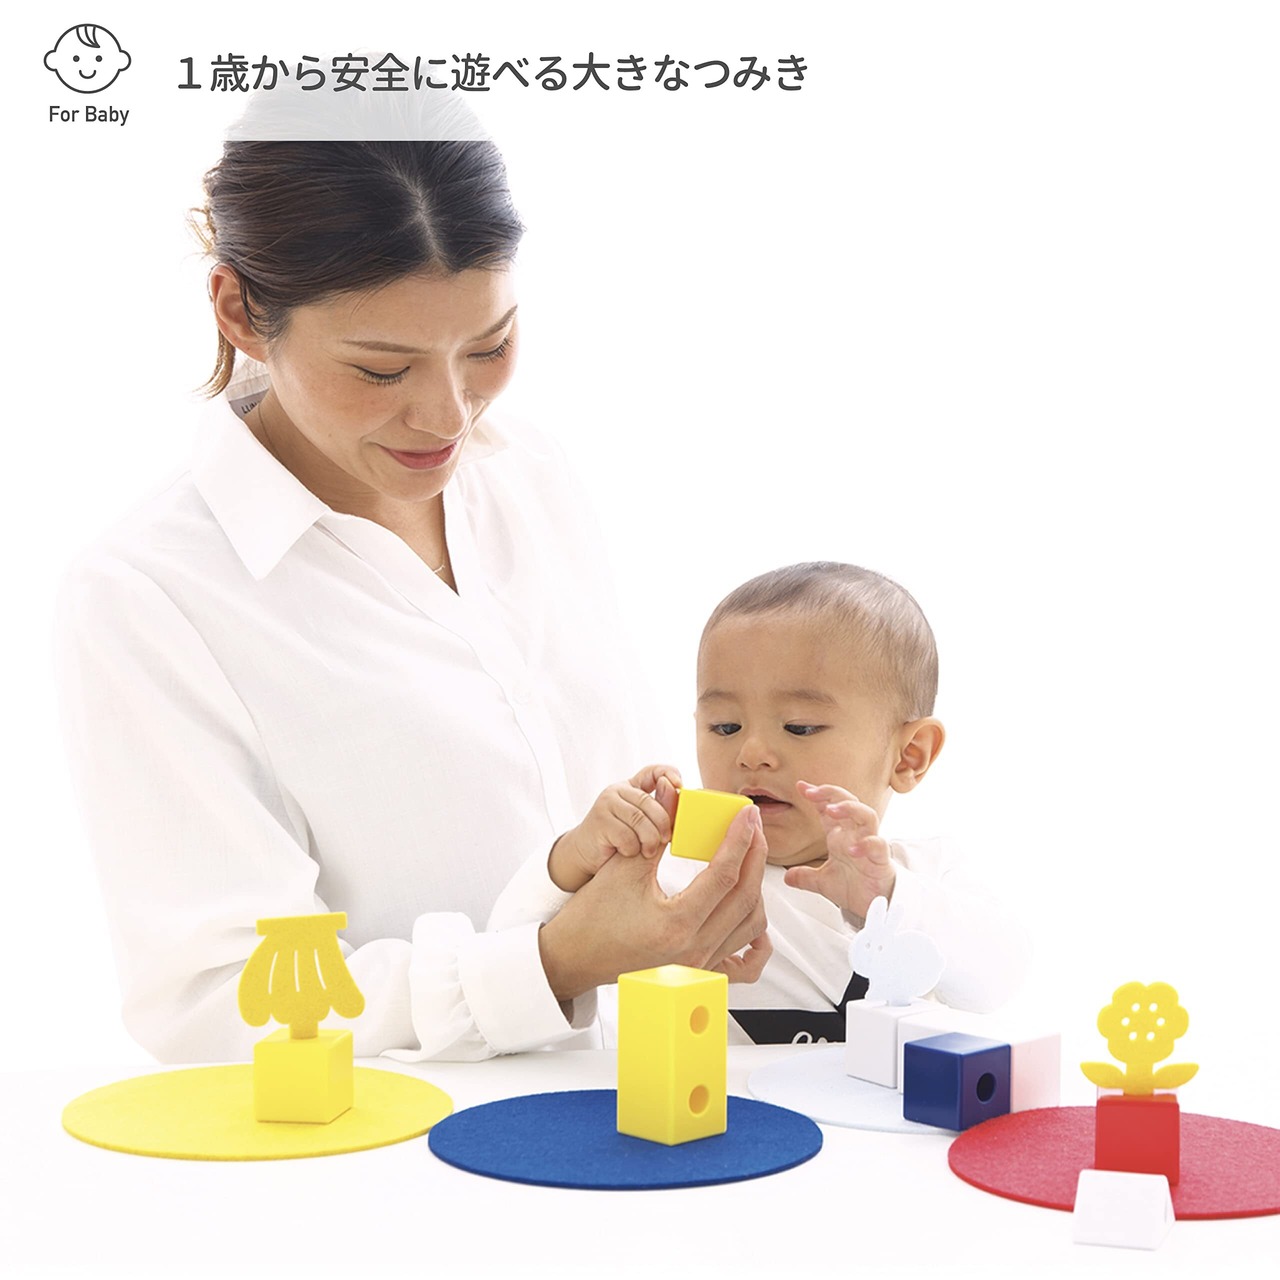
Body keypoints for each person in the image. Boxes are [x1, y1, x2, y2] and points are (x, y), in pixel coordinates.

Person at [54, 132, 767, 1065]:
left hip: (650, 1099)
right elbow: (216, 1006)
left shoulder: (528, 473)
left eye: (489, 346)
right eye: (381, 369)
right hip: (402, 1142)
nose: (449, 414)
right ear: (239, 311)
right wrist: (552, 964)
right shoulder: (151, 594)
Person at [552, 562, 1030, 1044]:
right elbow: (532, 960)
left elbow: (999, 978)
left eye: (799, 727)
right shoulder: (673, 882)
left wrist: (887, 895)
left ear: (908, 756)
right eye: (725, 727)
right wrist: (575, 855)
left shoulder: (925, 874)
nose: (752, 753)